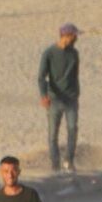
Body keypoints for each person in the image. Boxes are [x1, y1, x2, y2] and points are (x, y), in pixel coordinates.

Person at [38, 23, 80, 173]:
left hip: (71, 99)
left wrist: (76, 94)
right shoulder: (49, 53)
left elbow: (75, 75)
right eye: (74, 36)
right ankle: (55, 164)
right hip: (54, 99)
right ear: (66, 36)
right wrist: (44, 95)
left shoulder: (74, 54)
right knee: (53, 134)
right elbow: (41, 77)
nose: (76, 39)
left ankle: (69, 160)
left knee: (72, 129)